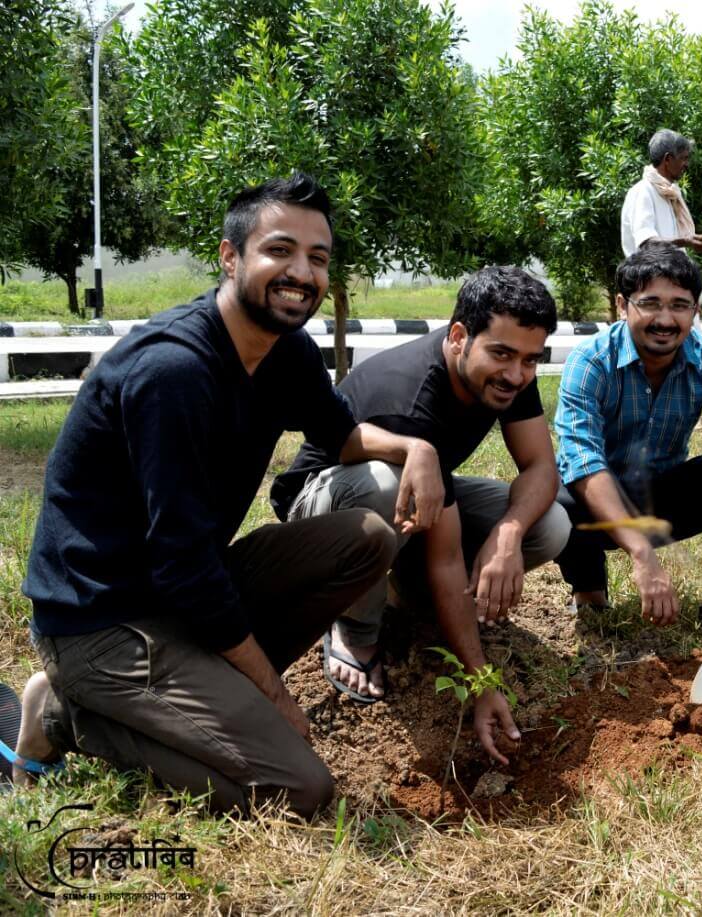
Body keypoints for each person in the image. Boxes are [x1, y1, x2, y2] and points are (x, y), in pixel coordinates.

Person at [4, 174, 455, 815]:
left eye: (318, 258)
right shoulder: (173, 372)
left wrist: (417, 449)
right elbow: (184, 567)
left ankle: (202, 695)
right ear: (230, 256)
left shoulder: (286, 352)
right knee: (300, 789)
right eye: (280, 251)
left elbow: (342, 436)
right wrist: (275, 694)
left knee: (367, 540)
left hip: (180, 595)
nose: (301, 272)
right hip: (100, 622)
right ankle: (64, 716)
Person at [270, 267, 569, 732]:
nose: (516, 374)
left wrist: (507, 535)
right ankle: (353, 625)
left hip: (420, 481)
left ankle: (408, 596)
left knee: (549, 523)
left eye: (530, 360)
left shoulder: (513, 376)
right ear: (458, 337)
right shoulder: (412, 398)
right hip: (318, 512)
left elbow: (541, 468)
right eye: (502, 354)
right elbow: (447, 558)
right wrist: (480, 682)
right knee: (385, 487)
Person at [554, 244, 702, 628]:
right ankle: (589, 594)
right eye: (650, 303)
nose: (665, 319)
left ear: (695, 310)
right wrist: (643, 555)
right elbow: (583, 459)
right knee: (555, 499)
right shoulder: (591, 361)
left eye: (679, 305)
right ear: (623, 306)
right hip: (595, 503)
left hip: (661, 496)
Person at [620, 129, 702, 257]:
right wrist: (685, 241)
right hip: (648, 276)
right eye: (683, 158)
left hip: (668, 275)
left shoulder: (669, 194)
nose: (686, 165)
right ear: (668, 159)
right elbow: (647, 245)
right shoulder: (642, 191)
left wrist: (689, 243)